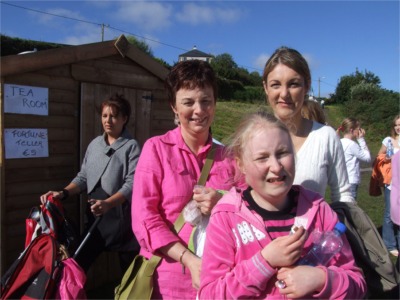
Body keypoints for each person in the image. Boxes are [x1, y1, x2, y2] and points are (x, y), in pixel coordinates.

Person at [198, 111, 366, 299]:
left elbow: (357, 285)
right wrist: (264, 262)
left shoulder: (318, 210)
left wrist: (321, 279)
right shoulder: (226, 216)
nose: (276, 167)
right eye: (262, 157)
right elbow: (209, 294)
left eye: (283, 153)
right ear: (241, 164)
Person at [131, 60, 245, 299]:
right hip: (167, 281)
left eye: (206, 101)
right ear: (173, 106)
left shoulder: (231, 157)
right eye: (188, 102)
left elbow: (250, 209)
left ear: (215, 103)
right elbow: (144, 218)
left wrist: (222, 202)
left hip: (221, 280)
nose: (199, 110)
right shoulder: (156, 150)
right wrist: (190, 260)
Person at [40, 93, 140, 273]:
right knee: (77, 264)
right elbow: (84, 176)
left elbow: (131, 184)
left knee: (129, 272)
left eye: (114, 116)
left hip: (120, 216)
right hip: (95, 215)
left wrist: (109, 203)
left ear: (124, 119)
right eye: (104, 116)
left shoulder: (131, 146)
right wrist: (63, 193)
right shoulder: (95, 145)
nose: (108, 120)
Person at [262, 46, 353, 203]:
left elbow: (343, 195)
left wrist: (336, 227)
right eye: (276, 84)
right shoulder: (254, 138)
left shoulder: (325, 136)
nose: (284, 94)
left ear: (307, 86)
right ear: (265, 88)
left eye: (293, 84)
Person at [378, 114, 400, 257]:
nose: (398, 128)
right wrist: (387, 158)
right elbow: (379, 156)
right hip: (392, 183)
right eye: (396, 125)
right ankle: (389, 243)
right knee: (389, 212)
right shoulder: (389, 140)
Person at [337, 118, 371, 200]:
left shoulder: (338, 141)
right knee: (350, 208)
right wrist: (361, 139)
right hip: (351, 180)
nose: (360, 131)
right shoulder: (352, 145)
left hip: (340, 180)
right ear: (352, 130)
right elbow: (367, 158)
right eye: (358, 129)